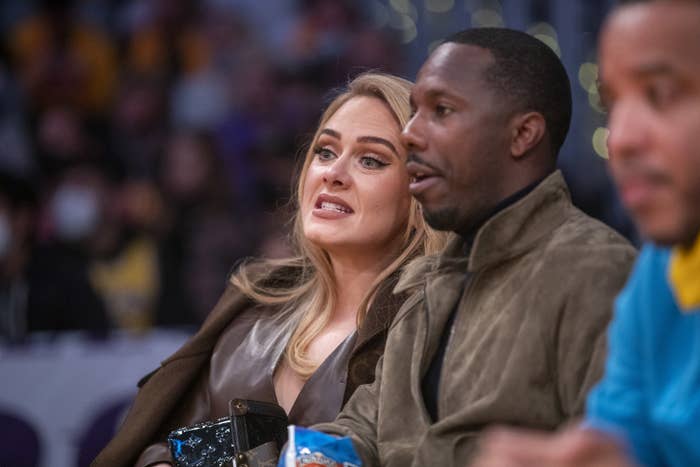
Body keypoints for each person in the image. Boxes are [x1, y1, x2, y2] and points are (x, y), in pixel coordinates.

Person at [312, 28, 636, 466]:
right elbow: (361, 431)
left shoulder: (597, 271)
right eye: (413, 113)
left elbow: (617, 453)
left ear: (523, 135)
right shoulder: (427, 282)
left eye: (442, 111)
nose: (409, 134)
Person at [92, 72, 446, 467]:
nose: (332, 173)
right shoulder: (253, 301)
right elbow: (164, 443)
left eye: (370, 160)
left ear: (420, 194)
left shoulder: (437, 324)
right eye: (325, 152)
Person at [472, 1, 700, 466]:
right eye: (612, 103)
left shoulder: (602, 262)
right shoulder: (663, 268)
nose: (620, 138)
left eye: (660, 93)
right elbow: (625, 433)